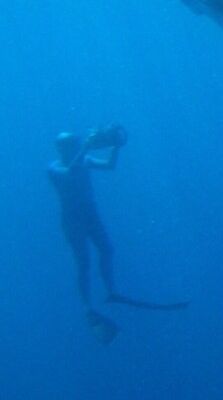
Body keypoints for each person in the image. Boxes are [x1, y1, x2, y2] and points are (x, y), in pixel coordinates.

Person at [47, 125, 186, 345]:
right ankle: (87, 307)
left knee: (107, 249)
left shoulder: (84, 159)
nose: (75, 146)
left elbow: (110, 166)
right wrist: (85, 148)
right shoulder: (54, 167)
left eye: (76, 143)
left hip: (90, 212)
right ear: (61, 147)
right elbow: (69, 173)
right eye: (71, 144)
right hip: (72, 219)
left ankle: (111, 291)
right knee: (83, 262)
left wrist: (115, 146)